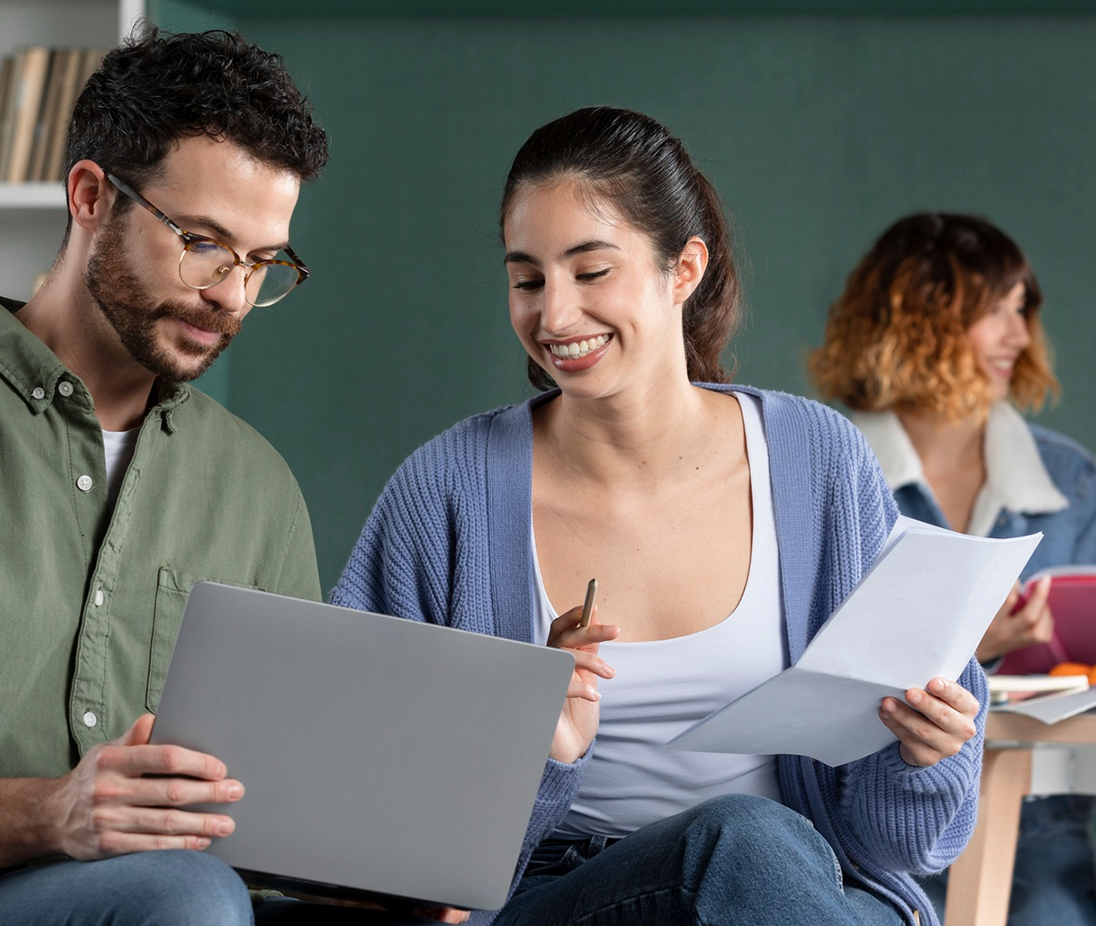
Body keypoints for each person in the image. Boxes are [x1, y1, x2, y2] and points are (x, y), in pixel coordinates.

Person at [0, 29, 439, 926]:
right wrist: (53, 813)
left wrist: (360, 875)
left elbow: (258, 810)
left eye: (261, 263)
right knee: (189, 898)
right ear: (92, 196)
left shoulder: (257, 487)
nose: (232, 295)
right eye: (204, 244)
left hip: (178, 903)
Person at [331, 106, 986, 926]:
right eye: (528, 279)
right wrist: (534, 748)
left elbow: (904, 849)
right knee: (736, 839)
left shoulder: (819, 462)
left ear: (685, 269)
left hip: (794, 888)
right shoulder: (445, 494)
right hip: (545, 902)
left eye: (591, 271)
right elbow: (360, 826)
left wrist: (924, 758)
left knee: (752, 846)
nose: (554, 316)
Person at [809, 212, 1096, 926]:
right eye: (995, 313)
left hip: (1038, 816)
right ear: (916, 318)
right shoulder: (822, 466)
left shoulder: (1074, 479)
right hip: (864, 817)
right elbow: (803, 667)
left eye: (1023, 311)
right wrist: (967, 653)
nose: (1020, 337)